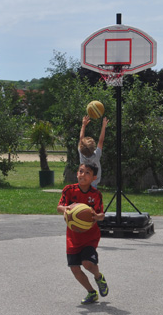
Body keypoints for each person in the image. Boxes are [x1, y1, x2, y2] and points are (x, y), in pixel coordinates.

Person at [56, 163, 108, 305]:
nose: (82, 174)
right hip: (72, 236)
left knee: (87, 263)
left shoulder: (96, 194)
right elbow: (59, 207)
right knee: (74, 268)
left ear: (94, 178)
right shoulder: (69, 190)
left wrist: (97, 217)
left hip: (90, 235)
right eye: (80, 171)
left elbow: (101, 214)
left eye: (87, 173)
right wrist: (67, 209)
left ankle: (98, 277)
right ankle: (91, 292)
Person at [79, 115, 109, 188]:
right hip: (93, 184)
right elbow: (101, 141)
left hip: (83, 183)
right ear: (93, 147)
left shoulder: (81, 153)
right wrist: (104, 126)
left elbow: (81, 138)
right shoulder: (96, 155)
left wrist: (84, 125)